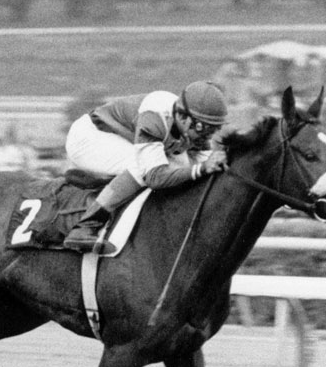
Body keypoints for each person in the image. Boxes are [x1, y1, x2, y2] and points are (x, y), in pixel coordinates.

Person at [60, 80, 229, 252]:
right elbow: (155, 177)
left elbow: (203, 172)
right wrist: (200, 168)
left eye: (214, 129)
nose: (207, 136)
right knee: (143, 168)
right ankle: (85, 227)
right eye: (203, 127)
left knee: (182, 169)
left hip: (124, 140)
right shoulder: (155, 115)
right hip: (89, 137)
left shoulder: (194, 129)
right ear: (183, 117)